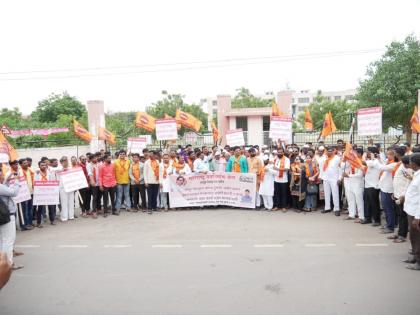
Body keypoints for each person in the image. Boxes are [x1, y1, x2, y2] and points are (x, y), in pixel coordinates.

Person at [0, 167, 21, 268]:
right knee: (8, 240)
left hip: (4, 215)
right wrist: (17, 181)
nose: (2, 175)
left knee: (3, 240)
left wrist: (6, 181)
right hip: (6, 215)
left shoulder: (1, 186)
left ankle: (4, 263)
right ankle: (8, 264)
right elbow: (13, 192)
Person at [391, 155, 413, 243]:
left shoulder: (409, 169)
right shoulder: (402, 165)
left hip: (402, 196)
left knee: (403, 216)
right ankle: (399, 232)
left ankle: (402, 235)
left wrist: (403, 195)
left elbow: (408, 183)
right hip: (397, 193)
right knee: (399, 215)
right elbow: (398, 180)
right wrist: (394, 192)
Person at [404, 153, 420, 270]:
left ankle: (418, 262)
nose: (409, 164)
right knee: (413, 237)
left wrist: (418, 217)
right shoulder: (416, 174)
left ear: (415, 163)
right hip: (411, 210)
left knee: (417, 237)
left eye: (410, 162)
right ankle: (415, 256)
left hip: (416, 212)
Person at [377, 148, 399, 234]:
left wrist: (375, 161)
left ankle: (391, 227)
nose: (388, 156)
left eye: (390, 154)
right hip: (384, 188)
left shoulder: (394, 164)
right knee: (386, 208)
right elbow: (383, 164)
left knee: (389, 209)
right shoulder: (388, 162)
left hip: (389, 189)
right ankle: (390, 224)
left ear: (394, 155)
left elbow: (382, 167)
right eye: (387, 154)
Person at [343, 148, 365, 223]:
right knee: (350, 199)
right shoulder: (350, 162)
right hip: (351, 183)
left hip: (358, 183)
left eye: (354, 153)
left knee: (359, 200)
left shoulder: (361, 162)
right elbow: (343, 168)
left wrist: (348, 176)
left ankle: (361, 216)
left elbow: (360, 174)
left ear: (359, 154)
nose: (352, 155)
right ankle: (351, 214)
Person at [34, 161, 57, 226]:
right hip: (41, 193)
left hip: (48, 192)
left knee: (51, 207)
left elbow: (53, 181)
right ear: (39, 166)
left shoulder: (49, 172)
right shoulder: (37, 173)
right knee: (40, 208)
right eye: (42, 165)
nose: (44, 166)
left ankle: (52, 220)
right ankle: (38, 222)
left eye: (44, 165)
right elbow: (35, 183)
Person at [320, 146, 341, 216]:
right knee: (326, 193)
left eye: (331, 151)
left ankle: (336, 209)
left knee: (335, 194)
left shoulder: (337, 158)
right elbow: (321, 167)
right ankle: (327, 207)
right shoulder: (325, 158)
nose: (329, 152)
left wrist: (339, 178)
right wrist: (321, 177)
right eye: (328, 151)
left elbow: (340, 169)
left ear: (333, 151)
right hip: (326, 178)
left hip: (334, 178)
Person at [364, 147, 382, 225]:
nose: (366, 153)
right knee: (367, 203)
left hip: (374, 186)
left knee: (374, 204)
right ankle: (368, 218)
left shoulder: (376, 161)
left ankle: (377, 220)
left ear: (373, 153)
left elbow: (363, 163)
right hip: (367, 184)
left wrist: (355, 157)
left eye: (368, 152)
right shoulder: (371, 160)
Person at [57, 156, 75, 222]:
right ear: (61, 162)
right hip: (62, 188)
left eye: (66, 161)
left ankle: (71, 216)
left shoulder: (70, 168)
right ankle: (64, 217)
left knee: (71, 202)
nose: (66, 162)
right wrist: (62, 169)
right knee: (64, 202)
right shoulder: (58, 169)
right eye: (64, 161)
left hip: (70, 187)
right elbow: (51, 169)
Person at [18, 158, 34, 230]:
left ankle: (30, 223)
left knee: (30, 209)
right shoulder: (19, 172)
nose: (26, 164)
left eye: (26, 163)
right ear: (20, 164)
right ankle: (24, 225)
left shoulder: (30, 170)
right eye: (24, 163)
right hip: (23, 194)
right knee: (24, 210)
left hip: (31, 192)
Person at [87, 153, 101, 218]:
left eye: (95, 158)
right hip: (93, 183)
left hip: (99, 183)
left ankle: (99, 209)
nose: (95, 159)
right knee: (95, 197)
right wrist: (92, 181)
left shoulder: (99, 164)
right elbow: (90, 173)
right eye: (93, 158)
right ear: (91, 159)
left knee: (99, 196)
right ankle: (94, 211)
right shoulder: (89, 165)